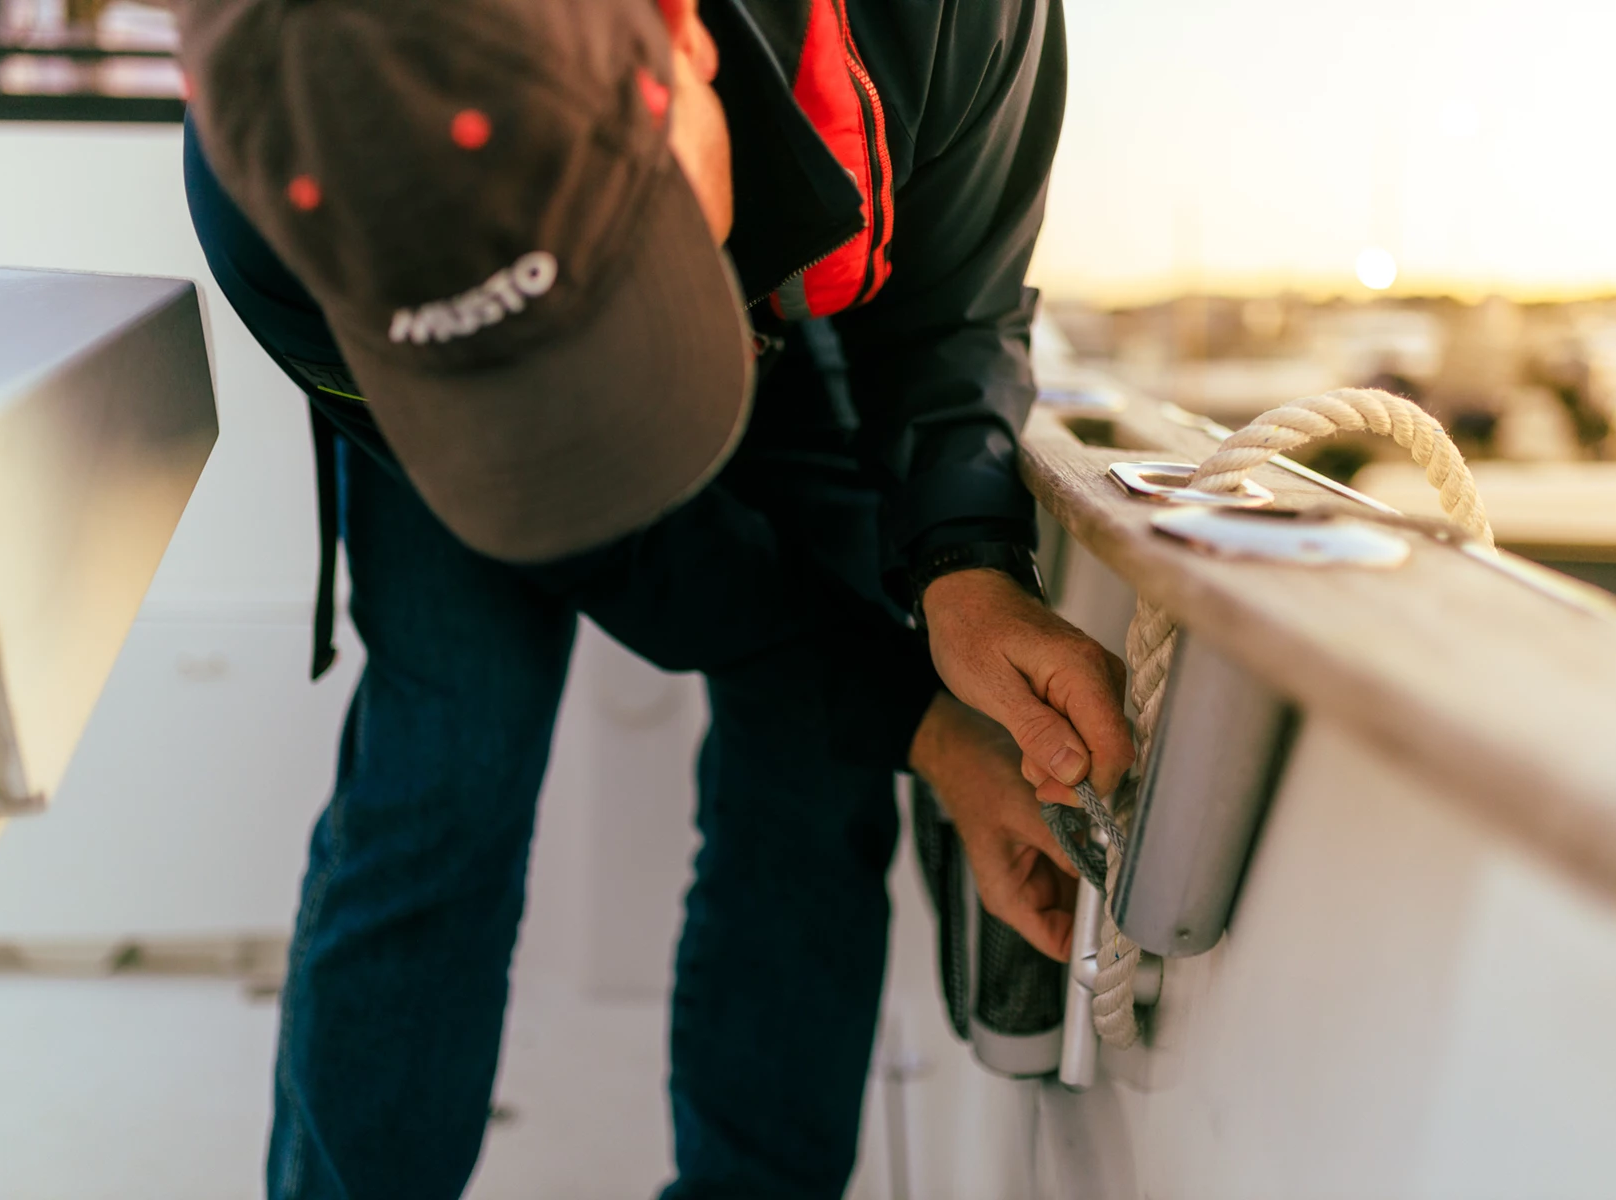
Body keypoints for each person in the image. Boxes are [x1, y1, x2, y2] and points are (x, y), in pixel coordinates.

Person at [178, 0, 1134, 1195]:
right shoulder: (265, 186)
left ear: (683, 47)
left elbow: (951, 298)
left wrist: (968, 567)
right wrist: (920, 718)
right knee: (447, 760)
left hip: (782, 310)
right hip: (450, 389)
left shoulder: (946, 18)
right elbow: (610, 547)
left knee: (813, 772)